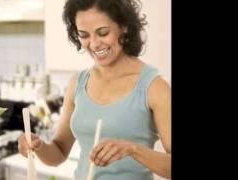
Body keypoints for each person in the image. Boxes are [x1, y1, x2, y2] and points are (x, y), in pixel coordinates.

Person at [18, 0, 171, 179]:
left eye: (103, 32)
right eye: (84, 35)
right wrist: (39, 146)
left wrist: (132, 149)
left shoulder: (154, 87)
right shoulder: (78, 83)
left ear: (124, 26)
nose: (94, 44)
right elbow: (58, 153)